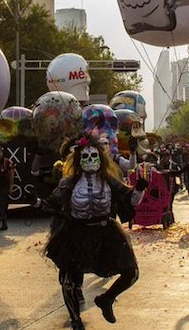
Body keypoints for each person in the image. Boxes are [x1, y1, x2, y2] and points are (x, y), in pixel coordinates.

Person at [38, 138, 145, 329]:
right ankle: (75, 320)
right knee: (69, 282)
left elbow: (132, 200)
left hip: (106, 233)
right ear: (78, 159)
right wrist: (38, 203)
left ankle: (106, 299)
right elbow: (52, 202)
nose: (89, 159)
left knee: (132, 273)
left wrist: (140, 190)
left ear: (101, 158)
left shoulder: (109, 181)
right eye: (85, 156)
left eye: (94, 155)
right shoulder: (69, 183)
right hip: (76, 233)